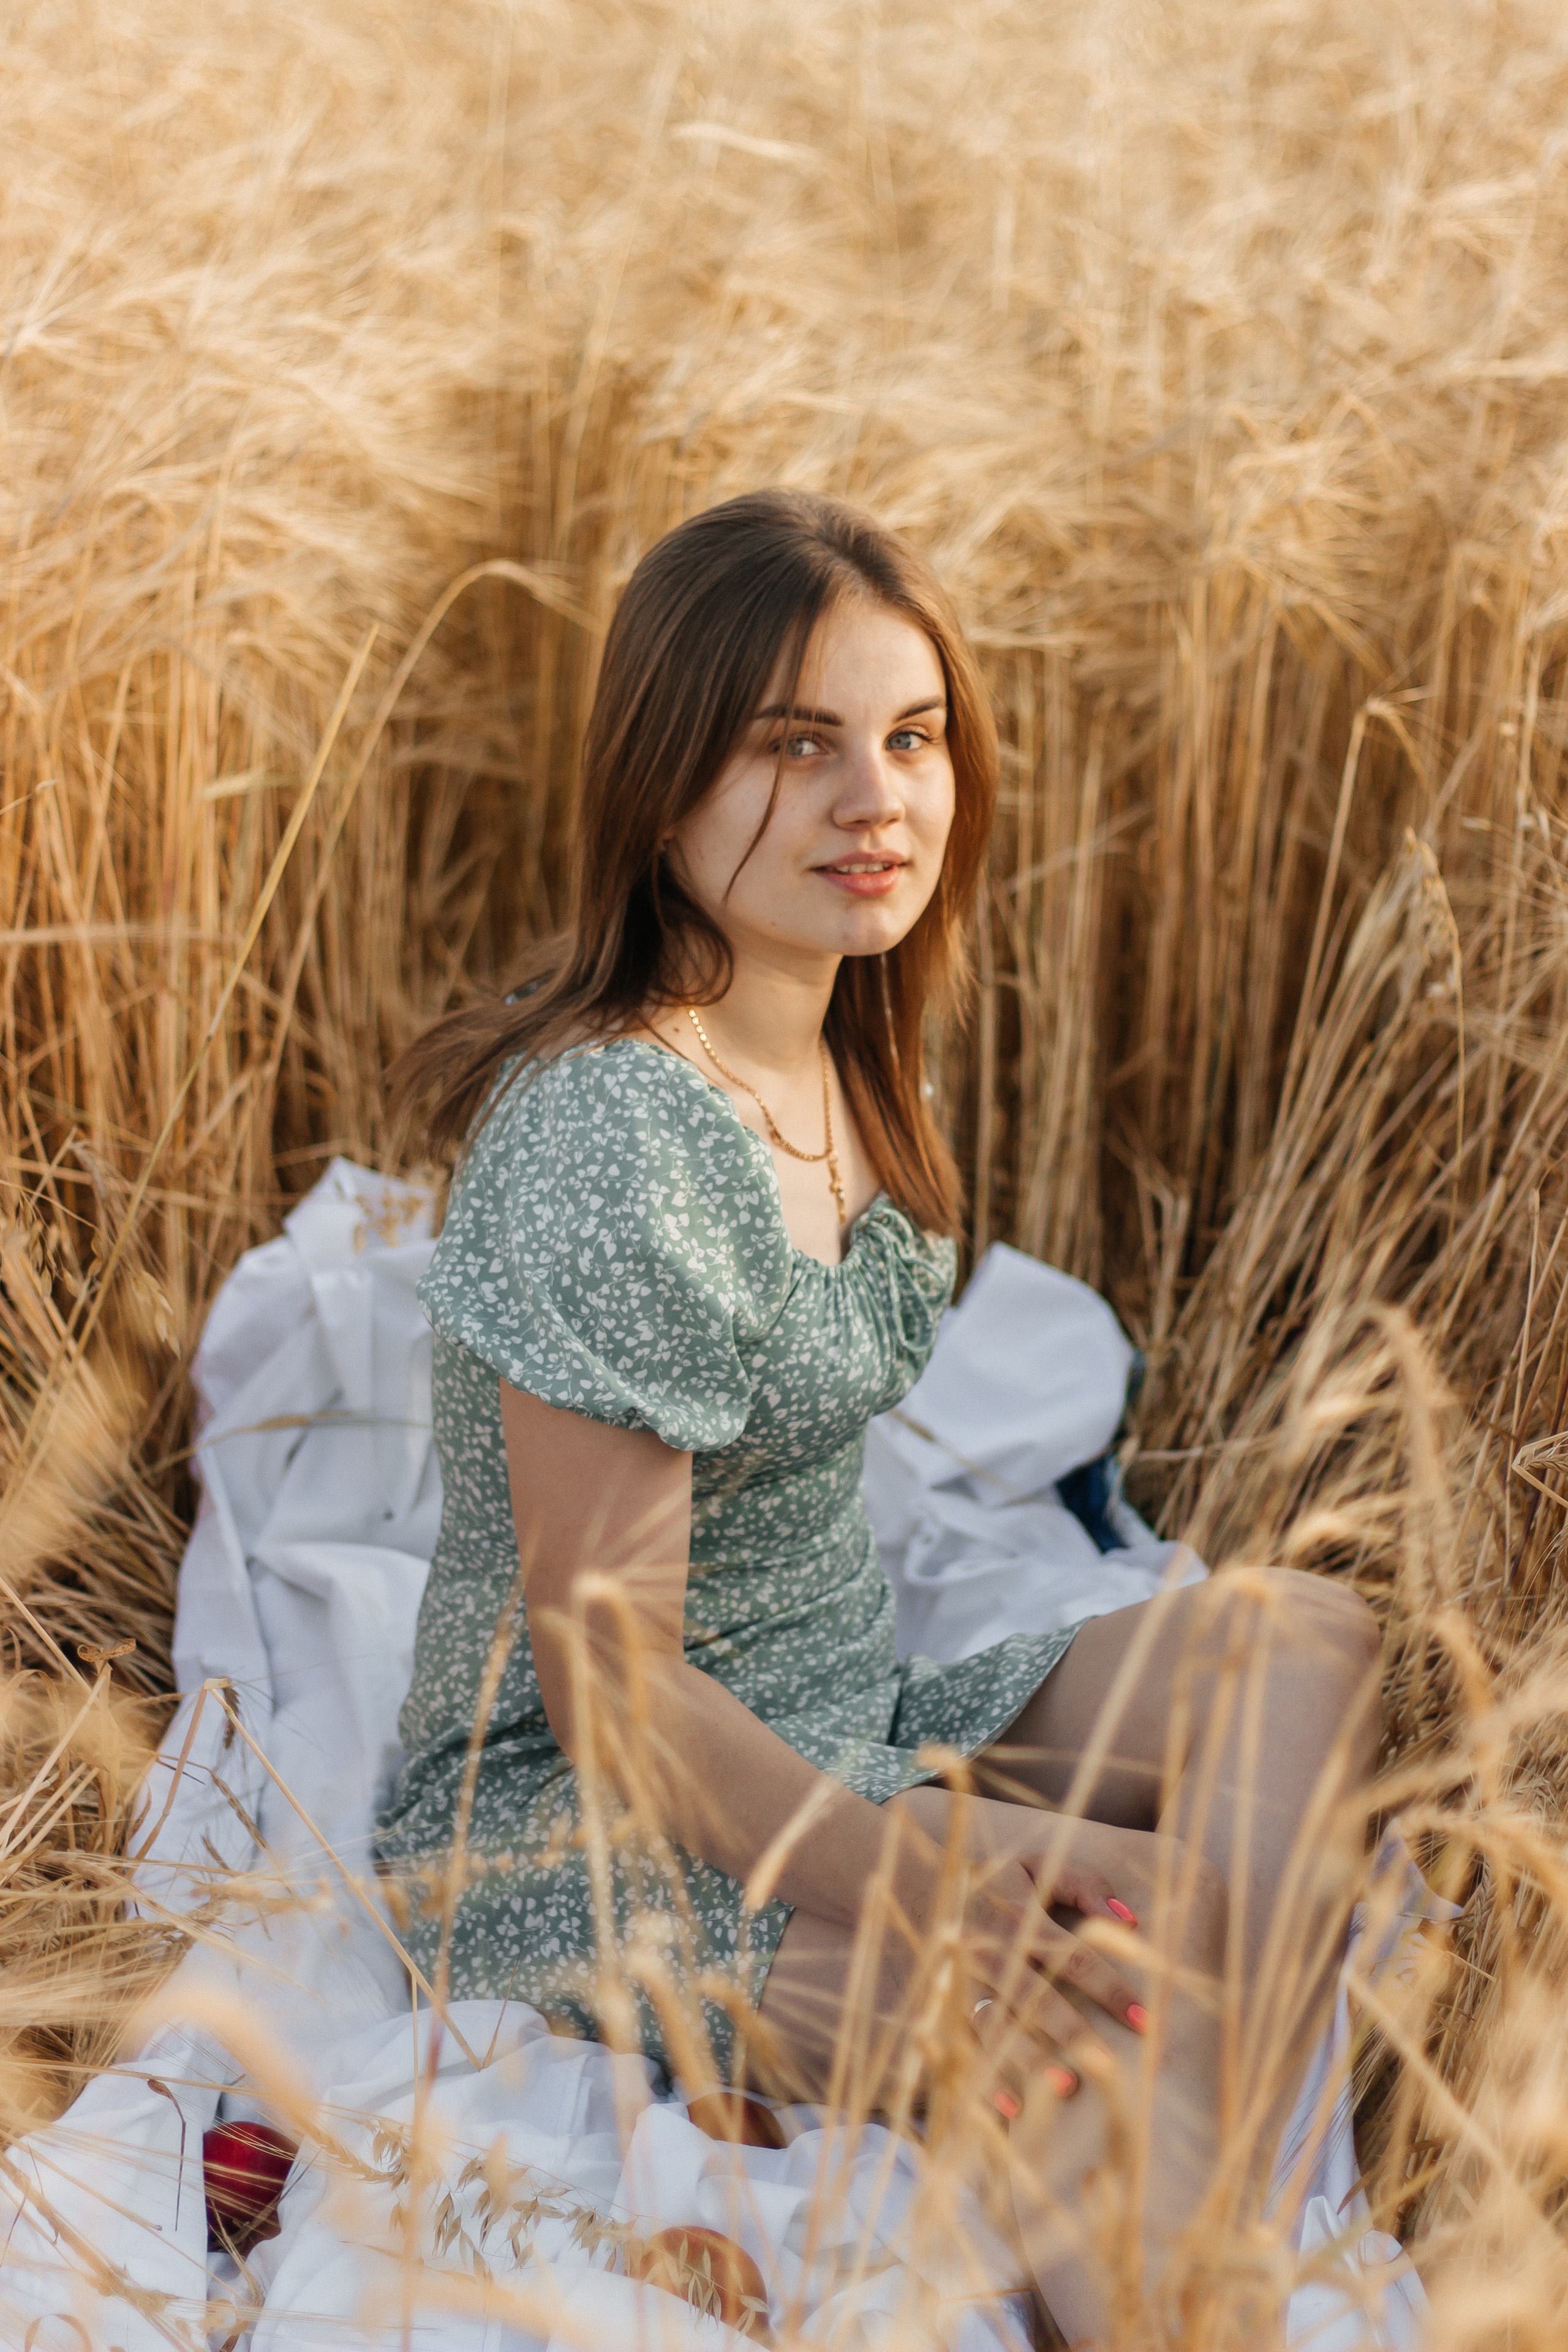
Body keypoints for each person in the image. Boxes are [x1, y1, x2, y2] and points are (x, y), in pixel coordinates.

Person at [377, 489, 1381, 2340]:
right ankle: (1159, 2250)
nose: (877, 799)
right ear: (662, 781)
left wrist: (936, 1824)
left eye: (910, 738)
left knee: (1305, 1642)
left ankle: (1177, 2124)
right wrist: (919, 1882)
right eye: (797, 744)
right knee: (1090, 1962)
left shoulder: (846, 1038)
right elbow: (609, 1685)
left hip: (850, 1713)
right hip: (579, 1826)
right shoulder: (616, 1135)